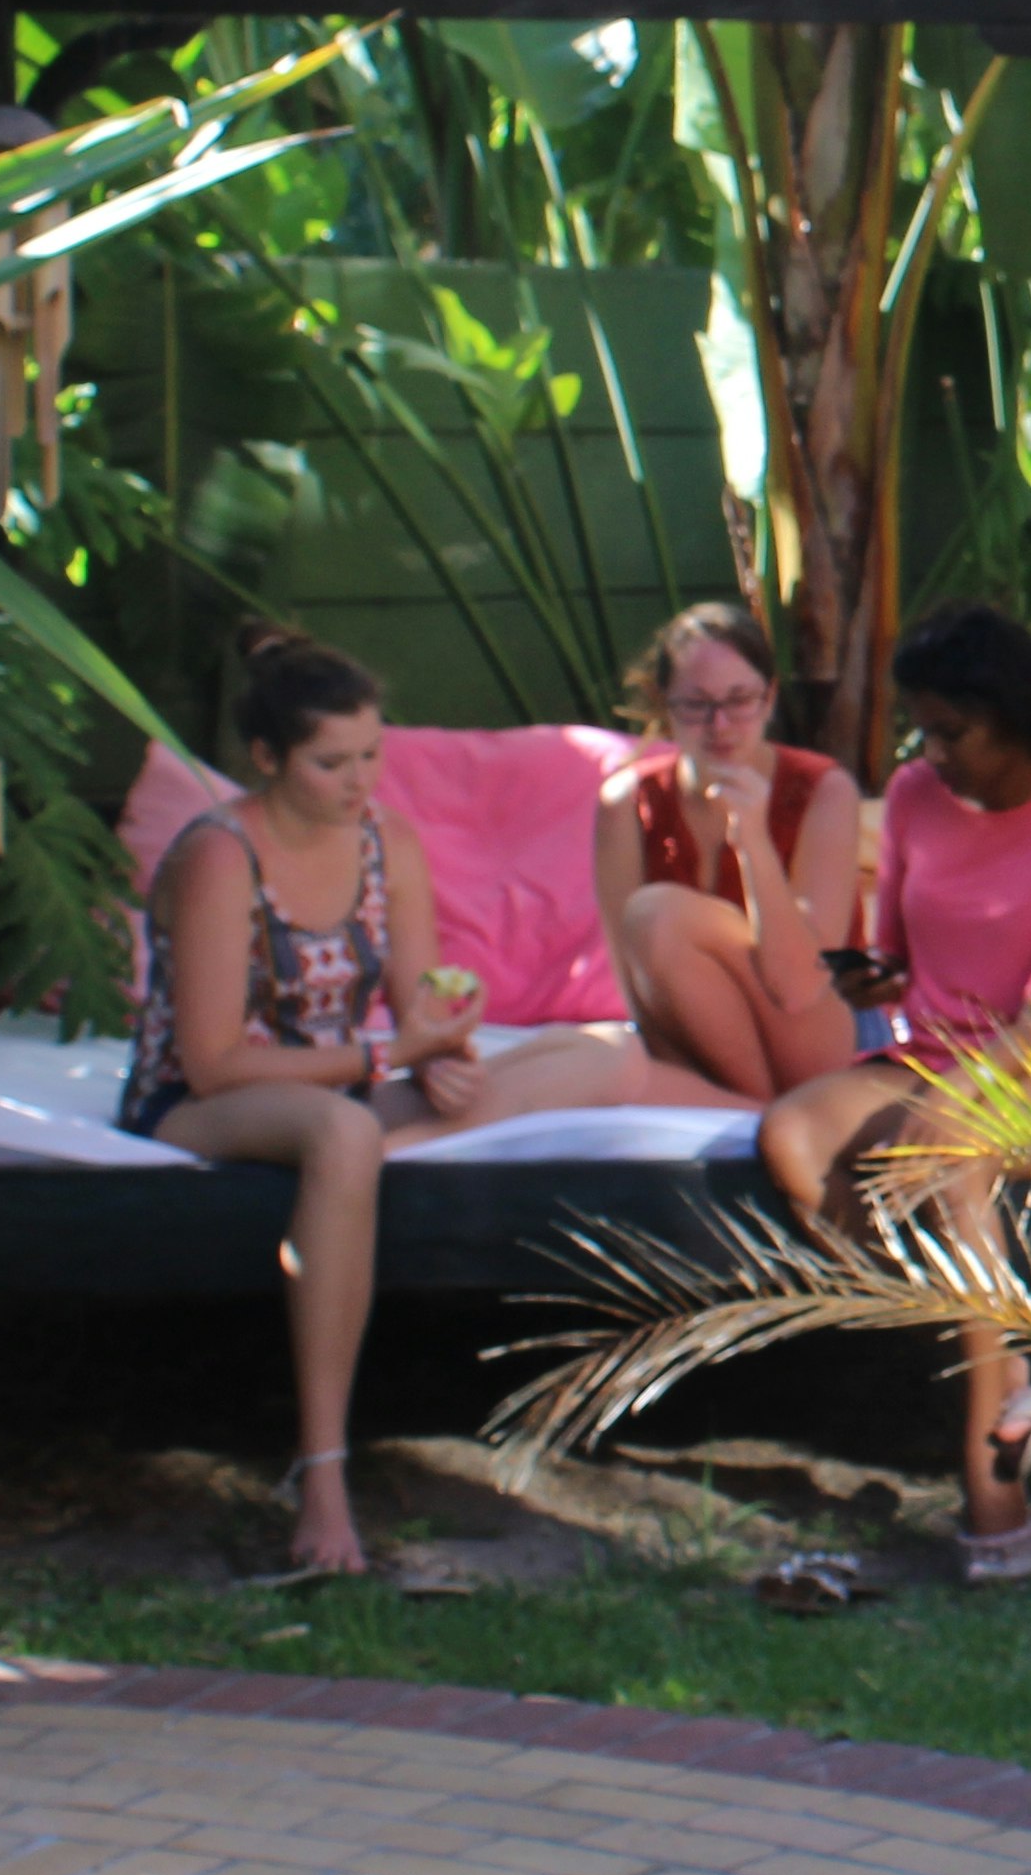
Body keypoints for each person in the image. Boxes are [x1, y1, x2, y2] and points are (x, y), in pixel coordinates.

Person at [125, 629, 672, 1576]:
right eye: (331, 762)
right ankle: (324, 1468)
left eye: (371, 755)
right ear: (266, 759)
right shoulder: (221, 854)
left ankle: (365, 1167)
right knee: (343, 1130)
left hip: (341, 1085)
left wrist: (446, 1055)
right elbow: (212, 1063)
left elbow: (423, 1000)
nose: (359, 781)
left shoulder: (387, 842)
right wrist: (394, 1055)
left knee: (601, 1058)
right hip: (204, 1099)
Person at [755, 600, 1031, 1579]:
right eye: (923, 731)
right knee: (792, 1138)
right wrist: (873, 980)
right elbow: (897, 950)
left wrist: (952, 1097)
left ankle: (993, 1496)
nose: (932, 753)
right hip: (932, 1051)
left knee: (949, 1149)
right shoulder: (916, 796)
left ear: (1015, 719)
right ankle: (1013, 1371)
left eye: (953, 731)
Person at [590, 599, 865, 1107]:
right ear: (664, 704)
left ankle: (753, 1113)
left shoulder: (823, 790)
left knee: (658, 913)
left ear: (769, 699)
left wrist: (753, 840)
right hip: (696, 1048)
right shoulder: (626, 804)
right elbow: (638, 992)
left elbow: (800, 986)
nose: (720, 725)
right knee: (569, 1059)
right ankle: (755, 1113)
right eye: (696, 705)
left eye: (739, 701)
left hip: (817, 1035)